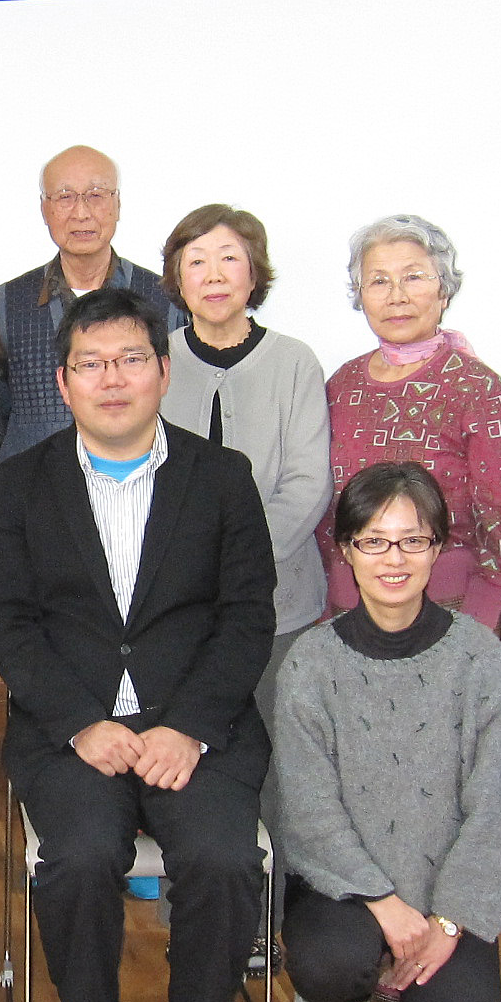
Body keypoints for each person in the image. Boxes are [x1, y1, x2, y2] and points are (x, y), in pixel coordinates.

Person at [0, 287, 274, 1002]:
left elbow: (247, 613)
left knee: (220, 858)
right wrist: (80, 723)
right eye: (92, 365)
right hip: (70, 729)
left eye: (132, 360)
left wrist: (190, 726)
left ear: (164, 372)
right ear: (63, 383)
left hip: (195, 724)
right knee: (76, 858)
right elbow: (9, 621)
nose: (113, 380)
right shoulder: (21, 484)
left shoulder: (222, 478)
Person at [272, 462, 501, 1002]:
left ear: (438, 547)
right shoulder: (311, 662)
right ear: (346, 551)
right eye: (373, 540)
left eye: (412, 540)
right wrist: (385, 905)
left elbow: (496, 810)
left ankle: (408, 971)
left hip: (447, 900)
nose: (394, 558)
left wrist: (446, 921)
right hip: (347, 897)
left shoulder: (480, 660)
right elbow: (308, 809)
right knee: (330, 962)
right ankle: (352, 987)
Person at [157, 202, 330, 746]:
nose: (213, 275)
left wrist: (238, 562)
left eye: (229, 258)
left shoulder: (295, 361)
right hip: (172, 606)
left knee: (285, 754)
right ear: (177, 279)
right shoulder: (154, 362)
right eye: (196, 261)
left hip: (280, 601)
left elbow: (307, 484)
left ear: (253, 272)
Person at [319, 215, 501, 630]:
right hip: (348, 610)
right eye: (378, 281)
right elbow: (325, 508)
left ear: (444, 291)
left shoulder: (477, 386)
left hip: (448, 613)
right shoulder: (340, 384)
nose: (396, 296)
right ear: (360, 295)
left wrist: (479, 620)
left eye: (414, 277)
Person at [0, 145, 185, 459]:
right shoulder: (10, 304)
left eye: (96, 195)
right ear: (45, 210)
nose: (81, 212)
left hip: (143, 487)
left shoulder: (164, 299)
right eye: (64, 196)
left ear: (117, 205)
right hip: (35, 494)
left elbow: (181, 407)